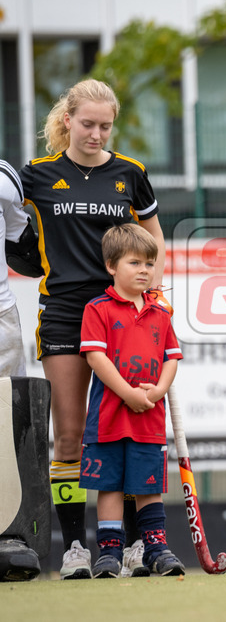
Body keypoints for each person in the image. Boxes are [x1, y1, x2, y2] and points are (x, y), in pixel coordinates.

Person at [20, 79, 166, 579]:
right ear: (68, 120)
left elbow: (153, 241)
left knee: (125, 429)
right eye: (87, 124)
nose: (96, 134)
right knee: (69, 436)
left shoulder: (131, 173)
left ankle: (129, 546)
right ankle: (75, 550)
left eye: (105, 126)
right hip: (64, 311)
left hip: (121, 314)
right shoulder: (37, 175)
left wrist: (153, 296)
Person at [79, 223, 184, 577]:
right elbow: (96, 358)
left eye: (149, 264)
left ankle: (156, 549)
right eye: (134, 263)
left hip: (148, 417)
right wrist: (129, 394)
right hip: (108, 417)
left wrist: (157, 391)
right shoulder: (97, 308)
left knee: (148, 485)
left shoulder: (161, 312)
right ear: (111, 266)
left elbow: (171, 358)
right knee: (109, 484)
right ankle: (109, 553)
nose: (144, 270)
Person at [0, 158, 45, 582]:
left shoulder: (4, 177)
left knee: (5, 424)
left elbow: (24, 245)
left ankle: (7, 533)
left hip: (0, 317)